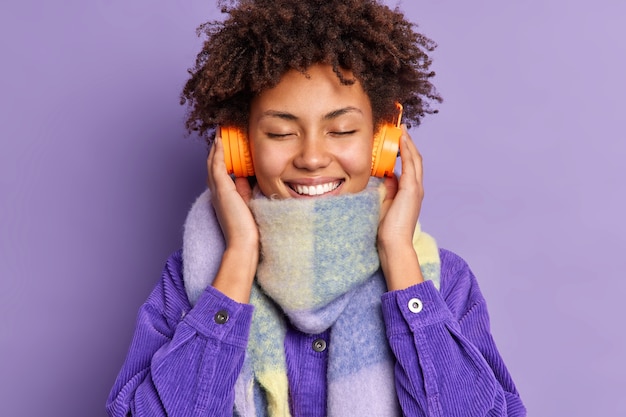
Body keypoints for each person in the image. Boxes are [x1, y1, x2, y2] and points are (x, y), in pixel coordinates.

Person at [106, 0, 526, 415]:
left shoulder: (443, 281)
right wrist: (238, 257)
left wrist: (399, 254)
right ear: (241, 146)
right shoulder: (191, 279)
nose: (311, 157)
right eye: (280, 132)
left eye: (341, 130)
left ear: (383, 143)